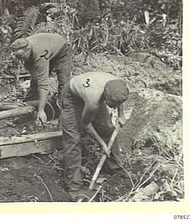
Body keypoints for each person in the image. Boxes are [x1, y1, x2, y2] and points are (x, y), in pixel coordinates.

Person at [60, 71, 129, 201]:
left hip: (92, 92)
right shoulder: (93, 101)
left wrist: (121, 115)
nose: (113, 107)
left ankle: (115, 167)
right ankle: (75, 188)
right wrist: (101, 143)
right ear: (106, 98)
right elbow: (85, 124)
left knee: (108, 128)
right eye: (112, 104)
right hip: (72, 97)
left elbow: (119, 99)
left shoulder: (118, 84)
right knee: (73, 140)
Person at [10, 33, 72, 124]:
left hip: (62, 49)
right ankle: (28, 111)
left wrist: (41, 110)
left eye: (21, 57)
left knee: (64, 83)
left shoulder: (39, 54)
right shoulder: (23, 49)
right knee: (35, 82)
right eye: (17, 57)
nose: (20, 59)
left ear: (28, 50)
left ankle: (64, 115)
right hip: (48, 48)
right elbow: (36, 77)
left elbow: (43, 83)